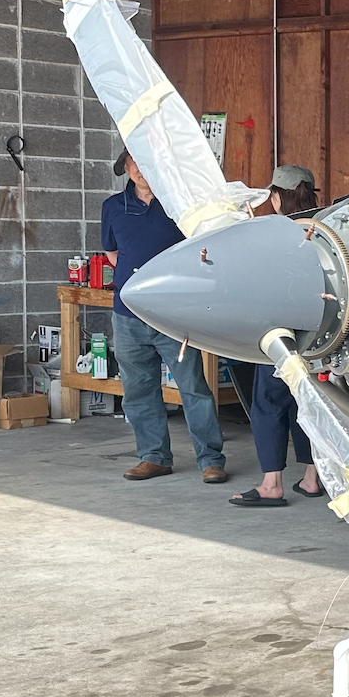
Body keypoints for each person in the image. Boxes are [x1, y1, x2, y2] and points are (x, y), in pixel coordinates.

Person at [101, 150, 228, 483]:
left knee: (193, 387)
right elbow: (112, 253)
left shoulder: (178, 206)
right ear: (125, 168)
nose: (143, 170)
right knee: (138, 389)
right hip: (127, 315)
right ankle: (154, 456)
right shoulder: (113, 207)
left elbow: (199, 246)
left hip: (173, 314)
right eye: (136, 163)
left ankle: (211, 459)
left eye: (149, 162)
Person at [230, 165, 324, 507]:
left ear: (274, 197)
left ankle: (272, 484)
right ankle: (313, 477)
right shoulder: (323, 229)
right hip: (318, 334)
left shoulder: (271, 231)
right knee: (306, 403)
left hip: (279, 332)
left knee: (268, 405)